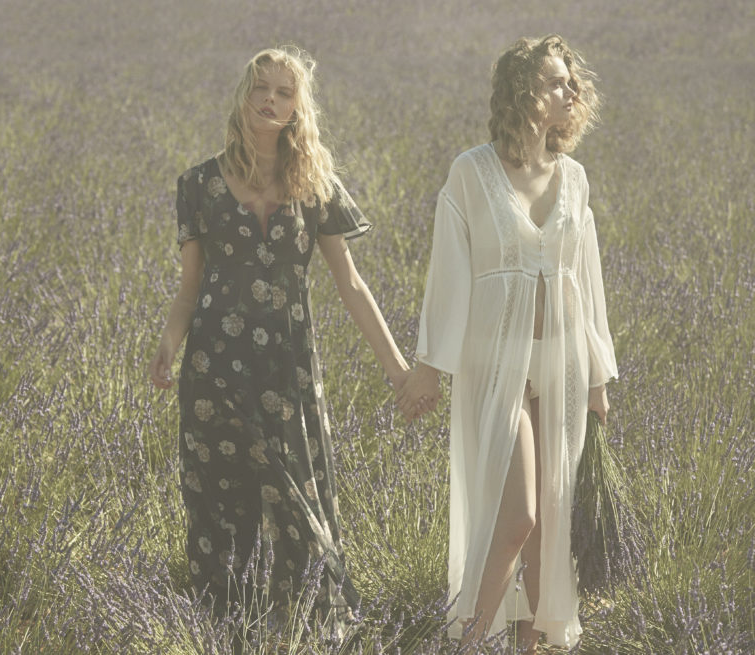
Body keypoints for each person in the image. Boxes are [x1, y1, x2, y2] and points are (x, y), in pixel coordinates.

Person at [148, 46, 411, 644]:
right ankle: (228, 634)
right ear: (243, 96)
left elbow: (351, 284)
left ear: (298, 108)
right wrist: (168, 345)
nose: (269, 99)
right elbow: (189, 289)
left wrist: (399, 371)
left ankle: (303, 631)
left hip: (289, 375)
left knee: (299, 505)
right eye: (260, 88)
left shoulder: (314, 185)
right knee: (222, 509)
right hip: (215, 373)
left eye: (284, 92)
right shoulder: (198, 185)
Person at [398, 35, 617, 652]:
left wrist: (598, 377)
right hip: (497, 365)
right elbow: (449, 275)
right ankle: (467, 640)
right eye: (555, 81)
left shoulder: (574, 178)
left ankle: (529, 645)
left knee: (551, 525)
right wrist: (429, 367)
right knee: (519, 515)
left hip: (563, 366)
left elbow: (588, 279)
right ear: (522, 91)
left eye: (571, 82)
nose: (569, 91)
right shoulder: (471, 172)